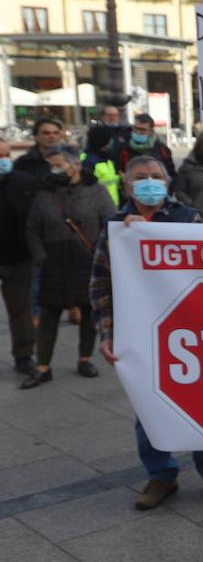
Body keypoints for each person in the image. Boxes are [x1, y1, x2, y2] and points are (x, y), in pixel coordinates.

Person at [91, 156, 203, 510]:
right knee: (149, 405)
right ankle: (161, 475)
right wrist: (107, 333)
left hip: (190, 331)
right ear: (127, 186)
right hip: (141, 335)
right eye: (141, 178)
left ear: (168, 182)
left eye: (156, 176)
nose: (149, 182)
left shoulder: (188, 219)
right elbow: (100, 285)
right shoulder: (115, 227)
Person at [21, 147, 115, 389]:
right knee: (49, 312)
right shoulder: (46, 192)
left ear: (75, 165)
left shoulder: (96, 190)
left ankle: (85, 358)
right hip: (54, 260)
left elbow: (110, 222)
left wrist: (102, 255)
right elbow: (32, 228)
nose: (55, 170)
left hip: (86, 259)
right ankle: (43, 366)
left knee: (87, 310)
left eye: (59, 164)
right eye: (52, 165)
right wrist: (42, 257)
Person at [0, 141, 38, 377]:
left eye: (6, 154)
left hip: (17, 257)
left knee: (21, 310)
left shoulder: (23, 182)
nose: (4, 159)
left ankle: (24, 356)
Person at [118, 113, 176, 179]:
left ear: (151, 131)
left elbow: (171, 174)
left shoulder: (162, 150)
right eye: (135, 128)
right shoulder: (122, 147)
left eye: (142, 130)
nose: (138, 132)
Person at [82, 124, 122, 206]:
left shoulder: (106, 158)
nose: (112, 142)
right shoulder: (89, 161)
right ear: (103, 140)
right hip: (97, 209)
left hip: (111, 207)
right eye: (110, 139)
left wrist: (121, 178)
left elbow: (108, 180)